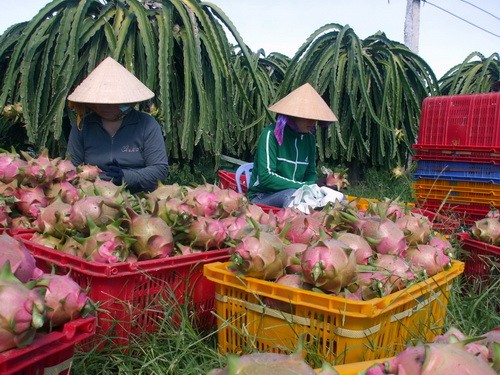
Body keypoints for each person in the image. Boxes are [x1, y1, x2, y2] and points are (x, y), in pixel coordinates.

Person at [66, 57, 168, 194]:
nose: (106, 106)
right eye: (102, 101)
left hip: (139, 197)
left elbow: (160, 170)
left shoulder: (146, 125)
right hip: (92, 198)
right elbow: (71, 167)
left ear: (127, 101)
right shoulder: (83, 126)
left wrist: (126, 177)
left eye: (113, 102)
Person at [247, 83, 339, 208]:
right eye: (308, 117)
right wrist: (308, 185)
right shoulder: (270, 135)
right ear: (293, 115)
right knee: (291, 196)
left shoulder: (309, 139)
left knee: (333, 196)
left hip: (298, 193)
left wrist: (319, 185)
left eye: (315, 118)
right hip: (263, 196)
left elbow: (310, 173)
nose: (313, 122)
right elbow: (266, 177)